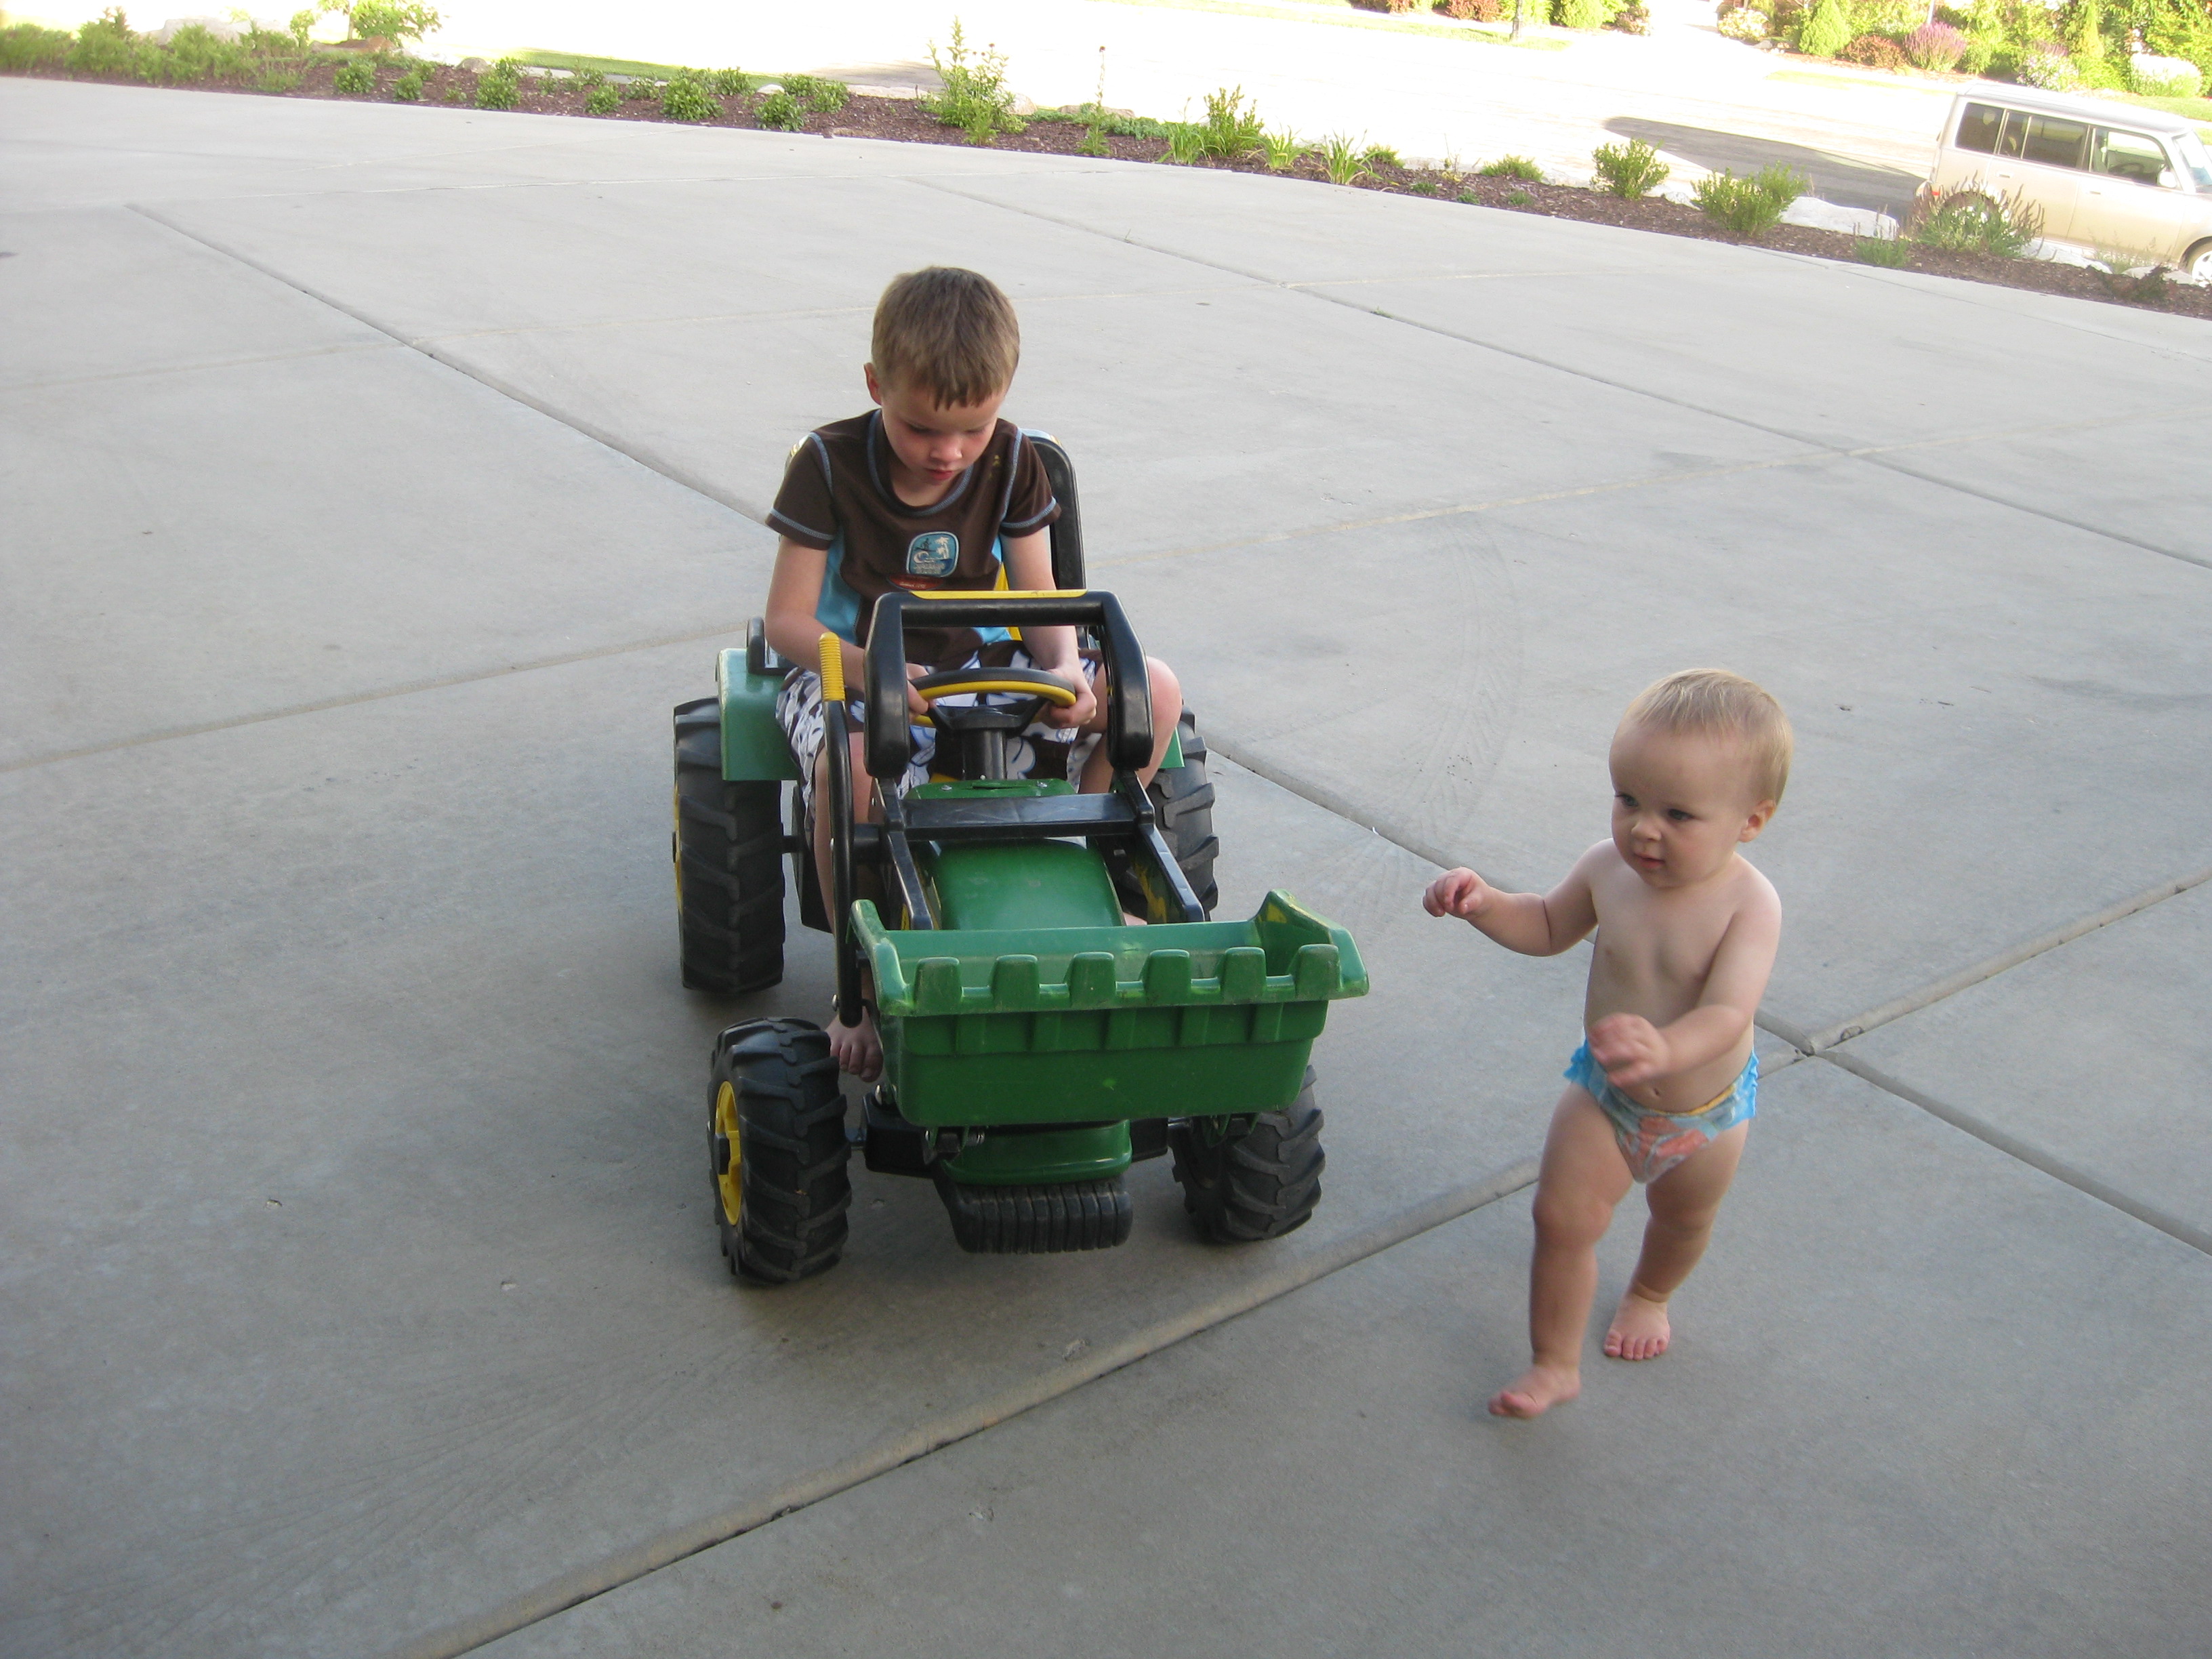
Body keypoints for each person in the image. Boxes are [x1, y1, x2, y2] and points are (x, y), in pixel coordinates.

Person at [762, 266, 1183, 1082]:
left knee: (1153, 688)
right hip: (845, 662)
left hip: (984, 664)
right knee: (847, 759)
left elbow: (1039, 598)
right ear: (877, 385)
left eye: (974, 428)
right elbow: (788, 620)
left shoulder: (1016, 458)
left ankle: (1081, 864)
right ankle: (862, 982)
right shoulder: (827, 462)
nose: (949, 452)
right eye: (923, 429)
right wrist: (874, 670)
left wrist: (1066, 672)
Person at [1423, 670, 1790, 1420]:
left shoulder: (1750, 906)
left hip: (1707, 1114)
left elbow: (1727, 1012)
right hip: (1606, 1096)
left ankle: (1650, 1295)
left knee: (1683, 1221)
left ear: (1752, 820)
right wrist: (1487, 905)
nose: (1643, 829)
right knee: (1560, 1222)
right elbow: (1549, 926)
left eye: (1679, 815)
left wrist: (1669, 1047)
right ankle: (1553, 1364)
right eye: (1629, 800)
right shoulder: (1607, 869)